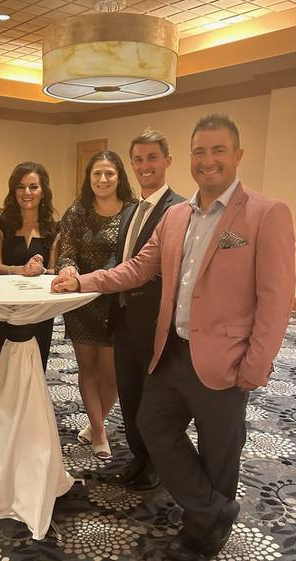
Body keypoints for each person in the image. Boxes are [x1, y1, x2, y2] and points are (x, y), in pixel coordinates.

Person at [52, 114, 296, 560]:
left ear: (237, 155)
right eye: (200, 151)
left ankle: (205, 529)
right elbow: (137, 268)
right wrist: (84, 281)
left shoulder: (266, 214)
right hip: (171, 351)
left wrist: (257, 366)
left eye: (218, 150)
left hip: (226, 359)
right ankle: (214, 510)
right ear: (189, 158)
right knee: (152, 424)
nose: (208, 160)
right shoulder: (176, 215)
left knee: (219, 450)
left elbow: (276, 299)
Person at [110, 128, 186, 491]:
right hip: (124, 319)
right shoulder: (130, 210)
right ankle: (139, 457)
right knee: (129, 394)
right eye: (138, 159)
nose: (144, 166)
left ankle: (156, 463)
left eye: (152, 157)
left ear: (167, 161)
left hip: (157, 323)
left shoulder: (181, 210)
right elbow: (124, 258)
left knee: (156, 401)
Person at [56, 150, 137, 460]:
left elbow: (131, 259)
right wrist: (67, 268)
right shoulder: (77, 212)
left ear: (119, 177)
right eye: (97, 174)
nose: (103, 179)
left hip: (118, 302)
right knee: (88, 369)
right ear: (88, 179)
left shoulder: (131, 212)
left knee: (113, 374)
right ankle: (99, 430)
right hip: (83, 302)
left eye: (109, 174)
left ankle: (96, 421)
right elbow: (67, 252)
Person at [0, 161, 58, 376]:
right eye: (20, 186)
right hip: (3, 307)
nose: (27, 192)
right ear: (13, 191)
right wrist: (22, 270)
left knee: (37, 364)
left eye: (33, 187)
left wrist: (42, 271)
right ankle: (4, 410)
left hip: (39, 308)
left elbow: (53, 269)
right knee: (5, 364)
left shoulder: (53, 229)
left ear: (43, 191)